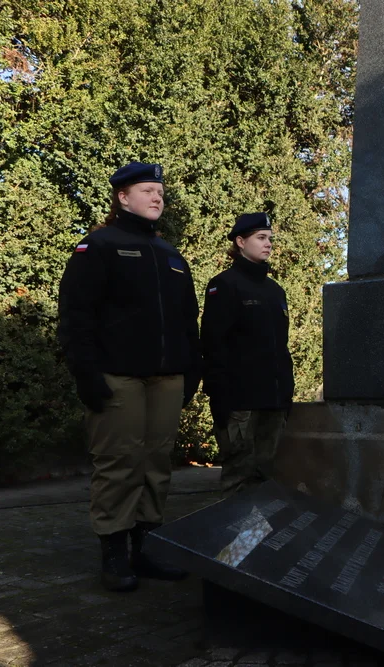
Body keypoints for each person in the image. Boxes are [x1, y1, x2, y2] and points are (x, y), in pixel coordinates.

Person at [58, 162, 199, 592]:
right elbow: (76, 315)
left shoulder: (171, 254)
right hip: (117, 376)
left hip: (166, 378)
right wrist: (87, 373)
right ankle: (114, 554)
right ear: (122, 197)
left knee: (157, 463)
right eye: (147, 190)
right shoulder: (98, 246)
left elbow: (187, 319)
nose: (158, 196)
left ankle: (147, 547)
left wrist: (191, 371)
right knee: (120, 463)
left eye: (160, 190)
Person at [201, 213, 294, 498]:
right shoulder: (225, 285)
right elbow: (213, 344)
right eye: (261, 238)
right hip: (241, 402)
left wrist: (286, 393)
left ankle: (257, 542)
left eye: (270, 239)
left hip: (273, 401)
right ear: (240, 242)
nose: (268, 244)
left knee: (265, 480)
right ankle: (233, 544)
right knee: (238, 480)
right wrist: (220, 400)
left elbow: (280, 346)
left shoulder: (275, 291)